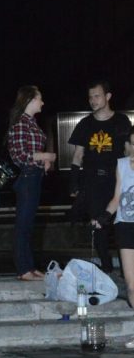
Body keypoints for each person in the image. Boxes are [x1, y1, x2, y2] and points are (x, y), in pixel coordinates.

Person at [69, 80, 131, 273]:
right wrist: (74, 183)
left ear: (108, 96)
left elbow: (129, 150)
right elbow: (78, 155)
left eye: (97, 96)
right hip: (93, 181)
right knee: (98, 225)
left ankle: (126, 269)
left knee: (121, 224)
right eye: (90, 97)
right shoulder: (85, 124)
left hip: (116, 180)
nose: (93, 100)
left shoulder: (121, 121)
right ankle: (106, 268)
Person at [7, 85, 56, 281]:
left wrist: (43, 161)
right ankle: (23, 269)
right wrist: (45, 156)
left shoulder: (31, 123)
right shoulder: (21, 124)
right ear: (30, 100)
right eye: (40, 98)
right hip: (28, 177)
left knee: (29, 225)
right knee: (23, 224)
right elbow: (19, 155)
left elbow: (29, 152)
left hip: (34, 176)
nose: (42, 102)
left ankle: (29, 267)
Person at [94, 126, 134, 347]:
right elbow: (117, 197)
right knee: (131, 284)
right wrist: (104, 216)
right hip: (125, 226)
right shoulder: (122, 165)